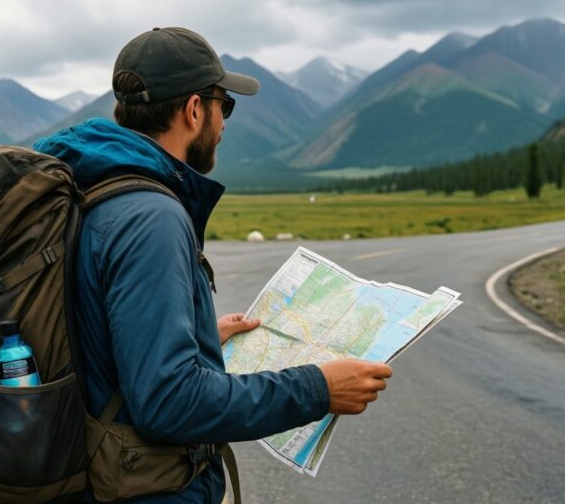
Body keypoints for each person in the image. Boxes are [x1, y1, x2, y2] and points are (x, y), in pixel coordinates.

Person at [34, 27, 392, 503]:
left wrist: (197, 332)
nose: (225, 123)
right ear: (194, 109)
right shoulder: (151, 217)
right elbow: (168, 403)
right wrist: (317, 389)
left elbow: (93, 326)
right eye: (225, 104)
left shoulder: (92, 187)